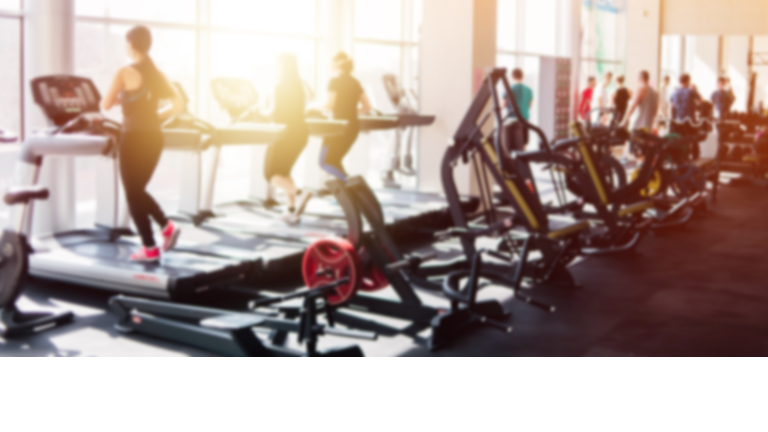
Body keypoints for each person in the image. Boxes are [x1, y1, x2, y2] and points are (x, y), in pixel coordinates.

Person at [101, 25, 183, 262]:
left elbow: (104, 105)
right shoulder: (158, 74)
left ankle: (151, 246)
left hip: (134, 137)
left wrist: (120, 100)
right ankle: (163, 231)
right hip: (155, 137)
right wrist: (154, 117)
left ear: (131, 45)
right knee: (137, 191)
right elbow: (177, 105)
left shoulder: (124, 72)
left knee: (133, 193)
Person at [264, 53, 313, 225]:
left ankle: (300, 194)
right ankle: (291, 210)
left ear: (281, 66)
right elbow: (307, 103)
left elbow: (273, 112)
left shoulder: (278, 86)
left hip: (285, 134)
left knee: (270, 175)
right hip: (301, 133)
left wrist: (259, 113)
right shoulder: (299, 85)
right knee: (284, 173)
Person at [320, 52, 372, 181]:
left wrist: (312, 109)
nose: (330, 64)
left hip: (338, 128)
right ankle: (351, 192)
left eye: (331, 62)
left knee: (325, 162)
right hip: (353, 127)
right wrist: (350, 112)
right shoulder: (355, 82)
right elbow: (367, 107)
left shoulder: (334, 81)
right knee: (335, 161)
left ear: (337, 63)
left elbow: (330, 105)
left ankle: (351, 184)